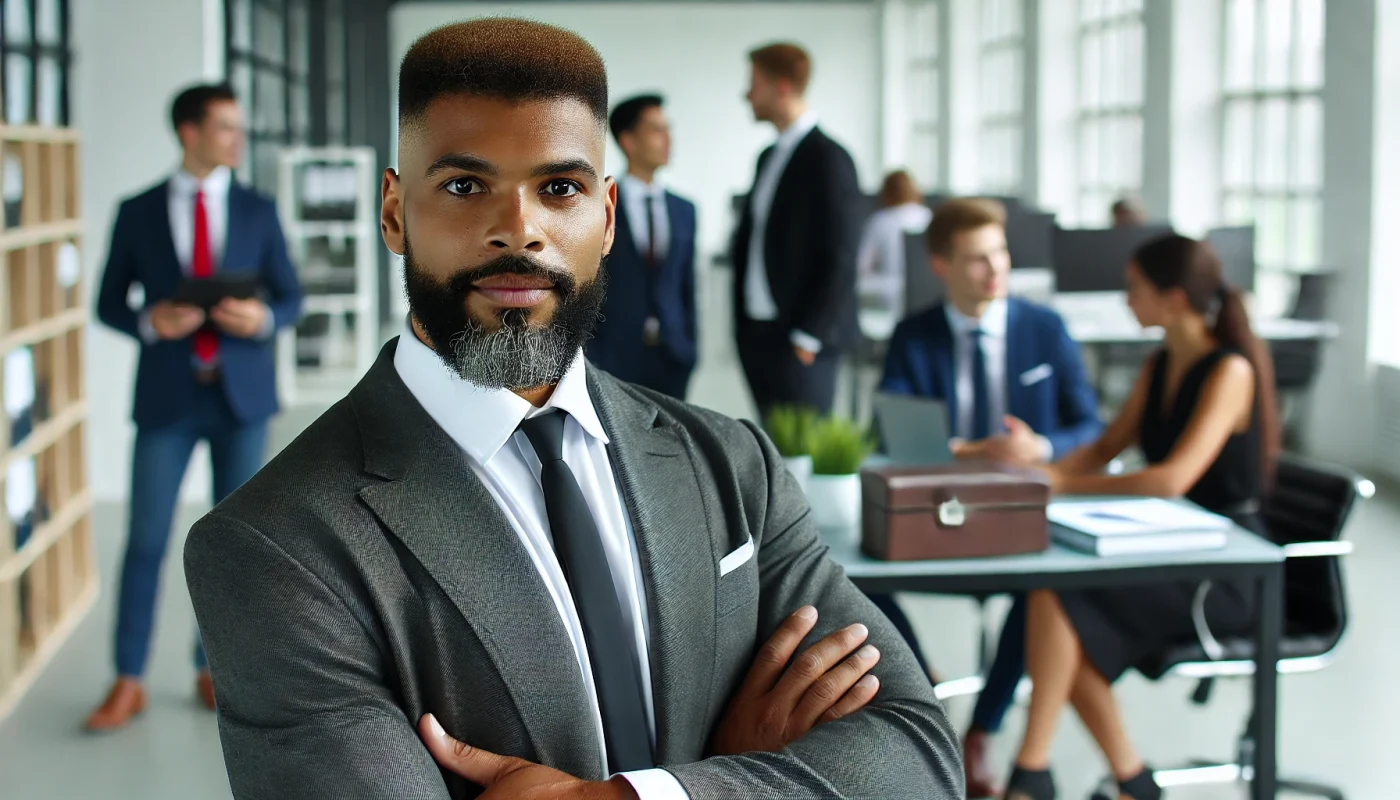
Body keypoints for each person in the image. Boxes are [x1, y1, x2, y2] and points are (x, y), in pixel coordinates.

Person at [183, 19, 962, 799]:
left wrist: (636, 795)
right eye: (464, 186)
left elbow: (919, 760)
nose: (519, 230)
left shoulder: (732, 465)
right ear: (393, 211)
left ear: (607, 215)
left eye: (560, 189)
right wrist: (744, 771)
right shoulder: (274, 548)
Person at [1000, 234, 1281, 800]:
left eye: (1134, 289)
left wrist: (1065, 486)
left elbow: (1170, 480)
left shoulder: (1230, 372)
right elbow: (1103, 447)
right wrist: (1040, 469)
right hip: (1167, 544)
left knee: (1057, 607)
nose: (1125, 299)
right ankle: (1107, 779)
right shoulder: (1161, 364)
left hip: (1224, 568)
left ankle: (1039, 776)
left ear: (1173, 298)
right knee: (1053, 600)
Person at [88, 83, 302, 732]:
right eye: (227, 128)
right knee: (147, 540)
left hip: (242, 402)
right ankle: (128, 679)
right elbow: (107, 304)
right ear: (189, 132)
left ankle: (214, 668)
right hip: (167, 399)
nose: (238, 139)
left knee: (233, 547)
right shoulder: (139, 212)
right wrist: (152, 321)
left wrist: (260, 317)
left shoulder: (260, 210)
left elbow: (290, 298)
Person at [872, 197, 1102, 797]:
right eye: (976, 260)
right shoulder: (913, 336)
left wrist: (1042, 448)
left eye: (999, 254)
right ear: (941, 264)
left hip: (1022, 510)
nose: (994, 270)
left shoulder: (1043, 328)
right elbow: (893, 435)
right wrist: (978, 452)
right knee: (858, 579)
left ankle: (985, 728)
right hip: (940, 508)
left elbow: (1089, 425)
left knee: (1051, 590)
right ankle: (925, 700)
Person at [731, 42, 861, 417]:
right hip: (760, 334)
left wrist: (810, 335)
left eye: (754, 84)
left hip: (801, 339)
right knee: (770, 450)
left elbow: (842, 255)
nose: (747, 95)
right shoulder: (768, 157)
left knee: (801, 458)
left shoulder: (829, 158)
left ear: (782, 86)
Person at [585, 94, 697, 400]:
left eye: (667, 128)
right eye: (656, 129)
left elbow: (687, 284)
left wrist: (690, 347)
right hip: (614, 354)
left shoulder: (684, 210)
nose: (667, 138)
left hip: (673, 355)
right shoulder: (599, 206)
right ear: (629, 141)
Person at [856, 170, 933, 312]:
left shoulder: (881, 221)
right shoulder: (929, 217)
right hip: (927, 294)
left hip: (889, 297)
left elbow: (861, 265)